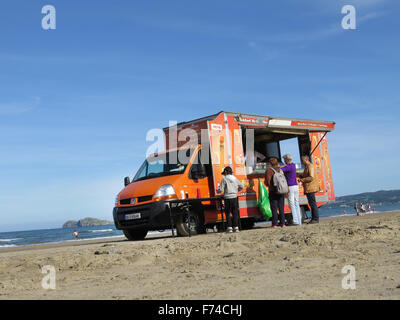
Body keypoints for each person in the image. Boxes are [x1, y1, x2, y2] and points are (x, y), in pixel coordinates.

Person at [217, 166, 244, 233]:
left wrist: (217, 191)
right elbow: (242, 186)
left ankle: (229, 227)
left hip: (227, 198)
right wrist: (236, 190)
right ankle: (236, 227)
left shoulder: (224, 179)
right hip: (234, 197)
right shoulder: (234, 178)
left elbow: (221, 189)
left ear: (226, 172)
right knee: (235, 213)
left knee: (228, 212)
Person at [264, 157, 286, 228]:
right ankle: (283, 223)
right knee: (281, 208)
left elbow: (267, 182)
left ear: (270, 163)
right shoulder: (280, 169)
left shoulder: (268, 170)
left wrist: (267, 184)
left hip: (273, 191)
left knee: (274, 208)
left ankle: (275, 224)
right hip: (281, 190)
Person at [281, 154, 302, 226]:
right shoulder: (293, 165)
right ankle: (299, 220)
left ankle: (295, 220)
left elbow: (280, 169)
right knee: (296, 203)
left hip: (290, 186)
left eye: (284, 160)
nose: (284, 161)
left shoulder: (288, 167)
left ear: (287, 160)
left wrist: (279, 166)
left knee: (291, 204)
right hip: (296, 186)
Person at [299, 155, 320, 224]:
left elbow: (311, 177)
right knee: (312, 203)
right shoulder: (307, 166)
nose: (301, 162)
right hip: (309, 188)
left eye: (302, 160)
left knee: (313, 204)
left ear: (306, 159)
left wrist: (302, 179)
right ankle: (314, 218)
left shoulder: (310, 166)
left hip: (310, 187)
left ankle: (315, 219)